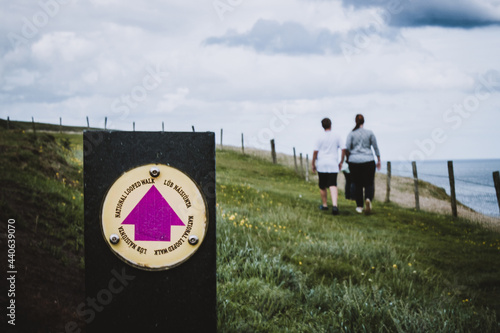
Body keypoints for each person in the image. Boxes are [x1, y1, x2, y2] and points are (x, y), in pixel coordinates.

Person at [345, 114, 381, 214]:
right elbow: (375, 147)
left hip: (354, 161)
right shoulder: (370, 133)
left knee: (357, 184)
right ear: (363, 122)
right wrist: (378, 159)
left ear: (355, 121)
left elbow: (347, 148)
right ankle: (368, 199)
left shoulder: (351, 134)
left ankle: (359, 206)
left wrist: (348, 159)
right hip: (368, 160)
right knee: (369, 183)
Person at [312, 118, 346, 215]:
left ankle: (325, 205)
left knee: (322, 185)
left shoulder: (319, 137)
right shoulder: (337, 136)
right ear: (331, 124)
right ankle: (335, 205)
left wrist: (313, 163)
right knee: (333, 184)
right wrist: (341, 161)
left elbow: (315, 151)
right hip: (333, 163)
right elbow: (343, 149)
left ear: (322, 126)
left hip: (322, 163)